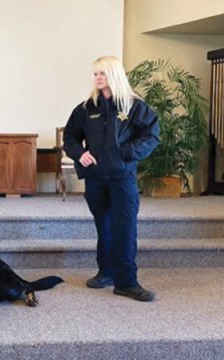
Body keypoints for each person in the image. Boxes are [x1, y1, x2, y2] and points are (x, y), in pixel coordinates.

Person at [63, 56, 160, 302]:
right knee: (103, 226)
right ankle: (105, 272)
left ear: (114, 75)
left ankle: (126, 282)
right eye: (95, 74)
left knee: (124, 228)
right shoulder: (86, 108)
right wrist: (80, 154)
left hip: (122, 178)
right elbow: (70, 138)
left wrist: (126, 154)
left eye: (102, 74)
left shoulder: (134, 106)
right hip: (96, 179)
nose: (97, 78)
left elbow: (152, 136)